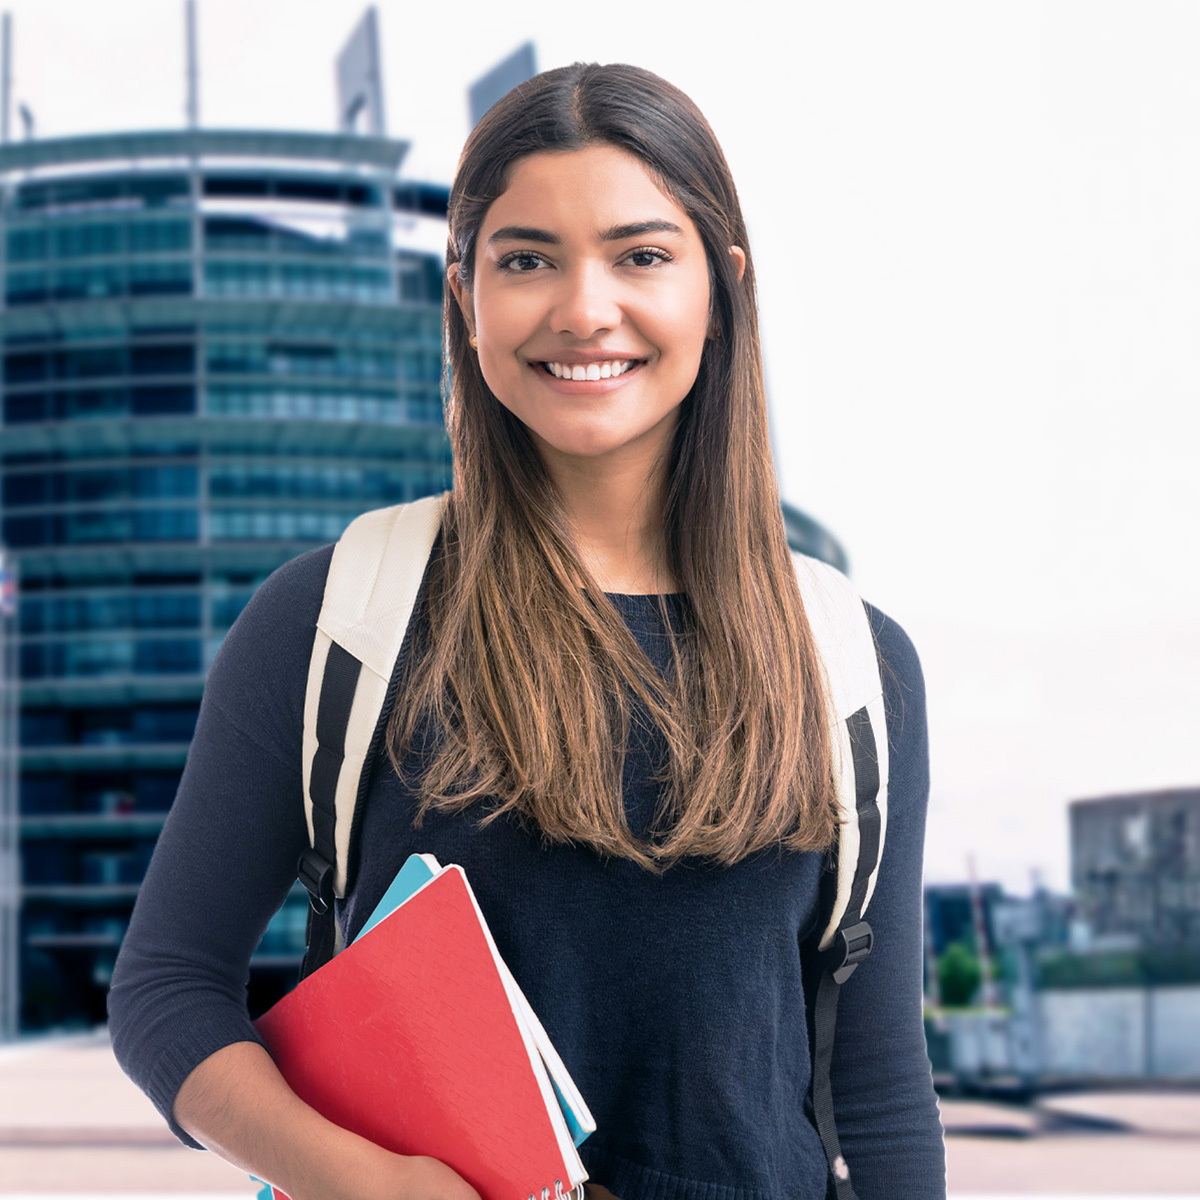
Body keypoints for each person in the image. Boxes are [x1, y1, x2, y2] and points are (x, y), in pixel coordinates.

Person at [108, 62, 946, 1200]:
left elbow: (880, 1080)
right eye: (526, 260)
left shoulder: (852, 656)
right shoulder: (334, 618)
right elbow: (167, 988)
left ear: (723, 288)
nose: (584, 308)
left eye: (642, 255)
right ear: (464, 295)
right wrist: (362, 1182)